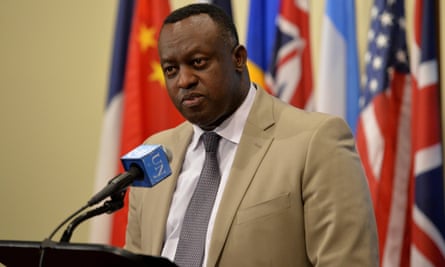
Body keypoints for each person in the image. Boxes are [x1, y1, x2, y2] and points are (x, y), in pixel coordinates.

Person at [125, 3, 379, 267]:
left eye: (198, 62)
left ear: (238, 58)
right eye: (171, 70)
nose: (183, 80)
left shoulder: (316, 142)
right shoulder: (154, 153)